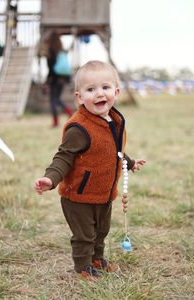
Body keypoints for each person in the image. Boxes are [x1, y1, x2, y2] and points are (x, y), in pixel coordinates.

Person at [35, 60, 146, 279]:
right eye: (90, 89)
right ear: (79, 97)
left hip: (103, 193)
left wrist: (130, 163)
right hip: (78, 195)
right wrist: (51, 178)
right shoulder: (79, 128)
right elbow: (63, 157)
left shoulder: (113, 121)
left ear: (116, 91)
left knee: (100, 231)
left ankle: (97, 259)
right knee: (84, 235)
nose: (98, 94)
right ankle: (83, 268)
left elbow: (114, 150)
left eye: (105, 88)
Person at [45, 31, 73, 127]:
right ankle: (68, 112)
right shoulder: (62, 51)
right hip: (62, 80)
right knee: (57, 99)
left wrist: (47, 82)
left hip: (54, 80)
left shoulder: (51, 52)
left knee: (54, 101)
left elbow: (51, 70)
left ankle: (57, 121)